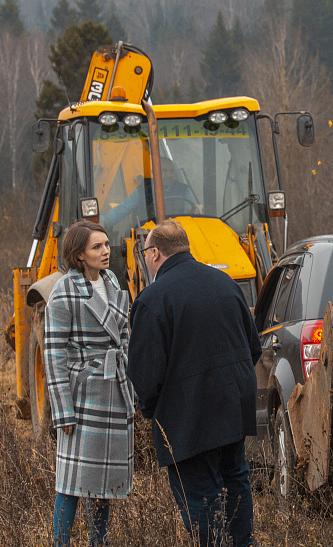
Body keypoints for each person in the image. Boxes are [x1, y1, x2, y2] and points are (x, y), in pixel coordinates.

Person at [128, 219, 260, 547]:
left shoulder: (152, 299)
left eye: (145, 253)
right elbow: (253, 346)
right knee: (235, 480)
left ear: (155, 253)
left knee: (201, 495)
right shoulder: (225, 283)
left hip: (187, 419)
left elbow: (144, 374)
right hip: (233, 408)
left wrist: (152, 410)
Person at [44, 220, 135, 546]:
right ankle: (61, 542)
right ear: (79, 254)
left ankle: (100, 542)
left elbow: (124, 336)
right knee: (70, 482)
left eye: (107, 244)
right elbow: (54, 355)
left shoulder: (112, 282)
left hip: (114, 391)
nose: (106, 251)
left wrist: (130, 384)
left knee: (103, 481)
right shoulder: (63, 292)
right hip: (83, 398)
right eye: (97, 247)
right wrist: (62, 411)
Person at [101, 156, 200, 230]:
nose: (168, 175)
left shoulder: (184, 190)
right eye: (164, 171)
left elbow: (191, 211)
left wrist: (195, 212)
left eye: (171, 171)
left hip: (177, 233)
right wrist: (104, 221)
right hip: (149, 235)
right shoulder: (143, 190)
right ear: (154, 172)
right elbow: (124, 208)